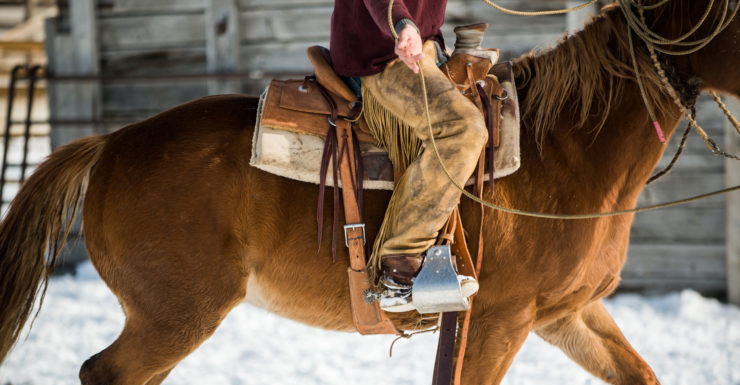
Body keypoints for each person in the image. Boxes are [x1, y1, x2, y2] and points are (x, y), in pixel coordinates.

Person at [329, 0, 487, 312]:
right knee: (463, 128)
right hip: (383, 57)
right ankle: (399, 267)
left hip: (423, 46)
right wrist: (402, 24)